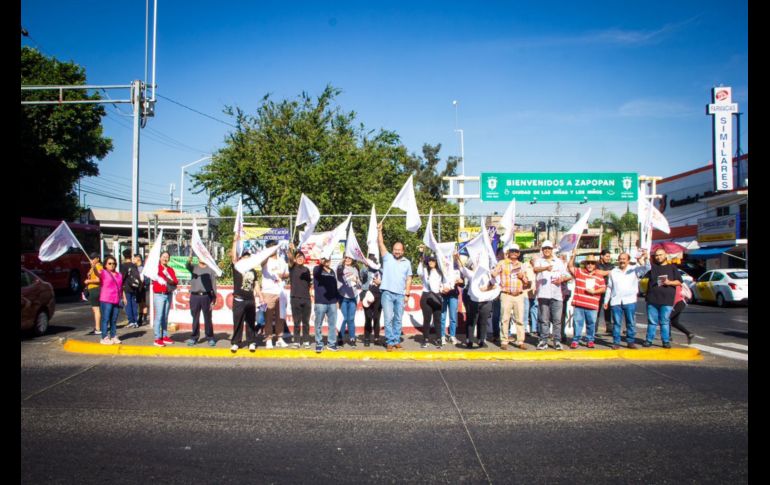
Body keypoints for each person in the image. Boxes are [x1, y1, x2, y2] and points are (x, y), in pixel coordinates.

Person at [377, 222, 413, 352]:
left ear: (403, 251)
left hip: (400, 295)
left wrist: (407, 294)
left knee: (398, 318)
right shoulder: (387, 258)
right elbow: (381, 244)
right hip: (387, 293)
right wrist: (379, 231)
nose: (397, 251)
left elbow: (409, 278)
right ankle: (390, 341)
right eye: (395, 249)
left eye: (399, 250)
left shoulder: (407, 263)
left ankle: (397, 340)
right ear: (393, 250)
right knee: (388, 319)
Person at [605, 251, 650, 349]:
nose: (622, 261)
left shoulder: (634, 270)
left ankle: (630, 341)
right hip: (616, 301)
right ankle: (616, 342)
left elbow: (647, 268)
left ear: (628, 260)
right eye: (620, 259)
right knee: (616, 323)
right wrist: (606, 301)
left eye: (624, 259)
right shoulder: (613, 272)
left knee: (630, 322)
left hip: (629, 301)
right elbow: (609, 287)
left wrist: (645, 258)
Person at [533, 240, 571, 350]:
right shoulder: (539, 261)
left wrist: (561, 279)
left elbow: (568, 275)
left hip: (557, 295)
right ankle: (543, 341)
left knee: (557, 320)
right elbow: (535, 269)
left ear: (552, 250)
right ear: (542, 250)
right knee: (544, 320)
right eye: (545, 248)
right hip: (543, 294)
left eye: (549, 248)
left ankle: (557, 341)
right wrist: (545, 268)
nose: (547, 250)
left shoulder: (558, 262)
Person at [642, 248, 683, 348]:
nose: (658, 257)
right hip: (652, 299)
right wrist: (644, 257)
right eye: (656, 255)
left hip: (667, 299)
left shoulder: (672, 268)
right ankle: (649, 340)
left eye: (660, 255)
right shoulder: (653, 267)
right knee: (652, 321)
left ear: (665, 255)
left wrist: (669, 282)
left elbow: (679, 282)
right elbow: (643, 271)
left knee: (664, 321)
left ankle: (665, 341)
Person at [492, 244, 529, 350]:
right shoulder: (502, 263)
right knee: (504, 318)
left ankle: (520, 341)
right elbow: (493, 274)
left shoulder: (522, 265)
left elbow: (526, 283)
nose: (514, 253)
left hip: (519, 295)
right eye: (512, 251)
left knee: (520, 319)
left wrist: (523, 277)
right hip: (506, 294)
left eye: (516, 251)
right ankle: (504, 340)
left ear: (518, 253)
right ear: (508, 252)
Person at [567, 254, 606, 349]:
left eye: (592, 263)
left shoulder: (599, 276)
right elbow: (570, 267)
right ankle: (575, 340)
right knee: (577, 323)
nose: (590, 265)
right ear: (585, 264)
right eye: (588, 263)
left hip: (592, 305)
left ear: (595, 265)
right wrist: (572, 256)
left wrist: (594, 291)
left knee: (591, 323)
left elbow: (603, 288)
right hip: (579, 303)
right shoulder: (579, 272)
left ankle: (590, 340)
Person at [460, 258, 500, 348]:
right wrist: (456, 257)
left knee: (483, 321)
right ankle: (469, 340)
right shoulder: (472, 274)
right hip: (473, 300)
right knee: (471, 320)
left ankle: (481, 339)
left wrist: (487, 288)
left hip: (486, 300)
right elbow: (462, 268)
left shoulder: (490, 274)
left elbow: (495, 285)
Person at [230, 240, 259, 352]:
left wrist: (260, 295)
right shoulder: (237, 267)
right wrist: (235, 240)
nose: (246, 258)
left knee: (251, 322)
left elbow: (255, 284)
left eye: (248, 257)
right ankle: (236, 342)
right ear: (241, 258)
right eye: (244, 256)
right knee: (238, 322)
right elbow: (233, 256)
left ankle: (251, 342)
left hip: (250, 299)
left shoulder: (253, 271)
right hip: (239, 299)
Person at [261, 240, 290, 349]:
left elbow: (287, 273)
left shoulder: (282, 260)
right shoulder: (265, 260)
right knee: (268, 316)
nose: (273, 249)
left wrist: (283, 275)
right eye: (271, 247)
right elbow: (260, 263)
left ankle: (279, 338)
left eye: (274, 247)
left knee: (280, 316)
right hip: (268, 291)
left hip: (281, 291)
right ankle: (268, 339)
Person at [185, 255, 218, 347]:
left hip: (207, 296)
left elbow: (213, 284)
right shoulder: (194, 267)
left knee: (208, 318)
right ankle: (194, 337)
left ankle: (210, 337)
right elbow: (187, 265)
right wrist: (189, 259)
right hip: (194, 297)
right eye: (200, 256)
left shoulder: (210, 269)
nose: (202, 258)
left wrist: (214, 297)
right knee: (195, 318)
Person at [94, 254, 124, 345]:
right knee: (106, 319)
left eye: (114, 263)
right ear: (105, 265)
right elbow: (97, 273)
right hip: (106, 299)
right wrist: (93, 266)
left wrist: (123, 297)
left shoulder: (119, 275)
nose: (112, 265)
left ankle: (113, 335)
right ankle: (104, 337)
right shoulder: (103, 272)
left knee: (114, 319)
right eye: (109, 263)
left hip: (116, 299)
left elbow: (121, 287)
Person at [417, 246, 444, 348]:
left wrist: (442, 289)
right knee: (427, 319)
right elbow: (419, 271)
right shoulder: (425, 270)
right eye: (430, 261)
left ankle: (439, 339)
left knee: (437, 319)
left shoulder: (440, 272)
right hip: (426, 296)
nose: (431, 262)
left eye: (433, 260)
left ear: (436, 262)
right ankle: (425, 339)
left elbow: (443, 283)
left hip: (437, 297)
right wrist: (421, 255)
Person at [313, 256, 340, 353]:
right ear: (322, 260)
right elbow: (316, 273)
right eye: (326, 259)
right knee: (318, 324)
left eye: (329, 259)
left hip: (332, 302)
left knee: (332, 324)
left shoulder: (332, 271)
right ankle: (319, 344)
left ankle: (331, 344)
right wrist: (321, 263)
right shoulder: (317, 269)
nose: (328, 261)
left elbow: (335, 286)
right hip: (320, 302)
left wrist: (337, 300)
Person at [288, 243, 312, 349]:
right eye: (298, 257)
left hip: (306, 299)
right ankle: (297, 341)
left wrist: (311, 293)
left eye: (301, 257)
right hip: (295, 298)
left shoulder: (307, 270)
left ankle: (306, 340)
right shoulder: (292, 267)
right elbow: (289, 258)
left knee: (306, 322)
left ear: (304, 259)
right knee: (296, 321)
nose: (300, 259)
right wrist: (291, 249)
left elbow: (310, 283)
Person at [151, 251, 178, 347]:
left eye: (167, 257)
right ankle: (157, 338)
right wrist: (167, 279)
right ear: (159, 258)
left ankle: (164, 335)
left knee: (165, 316)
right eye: (163, 256)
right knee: (159, 316)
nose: (165, 258)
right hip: (159, 295)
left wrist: (167, 277)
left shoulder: (170, 269)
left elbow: (175, 281)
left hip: (168, 294)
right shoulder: (156, 268)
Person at [336, 256, 362, 347]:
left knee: (351, 319)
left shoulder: (355, 269)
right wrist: (341, 261)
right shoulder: (340, 268)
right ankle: (340, 338)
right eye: (346, 258)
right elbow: (338, 269)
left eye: (349, 258)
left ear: (352, 260)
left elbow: (360, 284)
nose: (347, 260)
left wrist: (357, 280)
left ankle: (352, 338)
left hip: (353, 297)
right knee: (343, 319)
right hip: (343, 296)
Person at [440, 252, 464, 345]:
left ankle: (452, 336)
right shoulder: (441, 267)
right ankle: (442, 336)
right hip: (443, 294)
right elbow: (437, 280)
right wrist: (441, 289)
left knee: (453, 317)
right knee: (442, 316)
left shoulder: (456, 268)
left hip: (453, 294)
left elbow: (463, 282)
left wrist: (460, 281)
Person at [360, 255, 382, 347]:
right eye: (370, 261)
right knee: (368, 317)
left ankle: (376, 337)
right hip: (367, 294)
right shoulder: (365, 269)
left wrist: (380, 282)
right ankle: (367, 338)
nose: (372, 262)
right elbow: (362, 275)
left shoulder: (380, 270)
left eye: (373, 261)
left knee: (377, 317)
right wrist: (365, 265)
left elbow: (385, 280)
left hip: (378, 295)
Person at [120, 249, 142, 329]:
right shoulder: (134, 265)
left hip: (127, 287)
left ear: (124, 256)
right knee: (134, 304)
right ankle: (135, 321)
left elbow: (121, 278)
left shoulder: (123, 266)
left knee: (128, 304)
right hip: (134, 287)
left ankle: (131, 321)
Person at [595, 249, 615, 334]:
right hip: (598, 289)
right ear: (601, 256)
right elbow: (598, 272)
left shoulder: (611, 265)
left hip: (608, 289)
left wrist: (606, 272)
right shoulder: (596, 265)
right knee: (597, 309)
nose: (608, 258)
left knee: (608, 309)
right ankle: (594, 328)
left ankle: (609, 328)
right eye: (606, 256)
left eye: (609, 256)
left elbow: (613, 273)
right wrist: (608, 272)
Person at [83, 252, 103, 336]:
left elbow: (99, 279)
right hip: (92, 289)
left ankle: (98, 328)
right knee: (95, 310)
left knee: (96, 309)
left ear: (97, 258)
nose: (91, 260)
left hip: (95, 289)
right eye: (91, 258)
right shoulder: (93, 267)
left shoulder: (98, 266)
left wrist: (89, 281)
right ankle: (97, 327)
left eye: (93, 258)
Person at [522, 254, 539, 337]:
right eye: (535, 260)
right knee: (525, 311)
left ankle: (534, 328)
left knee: (534, 310)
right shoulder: (525, 265)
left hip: (535, 293)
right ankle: (524, 329)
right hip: (525, 292)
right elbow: (522, 275)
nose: (536, 262)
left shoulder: (539, 267)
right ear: (531, 260)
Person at [132, 254, 148, 326]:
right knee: (142, 303)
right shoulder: (140, 267)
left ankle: (141, 318)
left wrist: (140, 287)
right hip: (141, 287)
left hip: (141, 288)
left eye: (134, 258)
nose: (133, 260)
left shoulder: (140, 268)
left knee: (142, 304)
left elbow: (142, 279)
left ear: (138, 259)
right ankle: (143, 318)